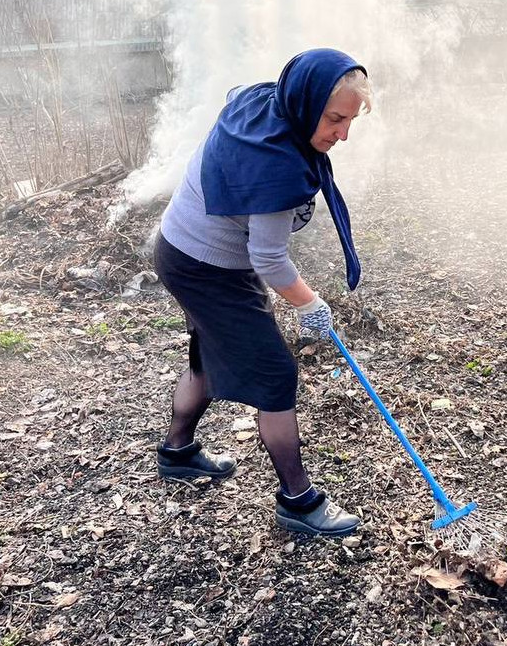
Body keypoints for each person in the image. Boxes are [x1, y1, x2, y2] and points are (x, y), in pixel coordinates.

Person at [152, 48, 371, 537]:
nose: (343, 134)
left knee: (210, 353)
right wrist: (310, 303)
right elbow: (269, 258)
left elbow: (261, 246)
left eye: (351, 121)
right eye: (335, 119)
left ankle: (178, 452)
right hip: (204, 264)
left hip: (180, 247)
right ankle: (299, 501)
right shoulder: (276, 168)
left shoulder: (264, 103)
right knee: (275, 372)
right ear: (307, 102)